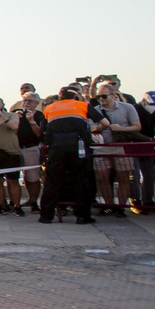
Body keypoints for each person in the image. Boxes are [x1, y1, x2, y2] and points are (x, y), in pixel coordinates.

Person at [38, 87, 96, 225]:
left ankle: (46, 215)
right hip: (78, 145)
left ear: (60, 98)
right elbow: (105, 122)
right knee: (81, 180)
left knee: (52, 180)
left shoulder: (50, 108)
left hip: (56, 147)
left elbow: (43, 131)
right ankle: (82, 216)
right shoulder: (83, 105)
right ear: (75, 97)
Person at [91, 82, 140, 215]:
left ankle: (120, 207)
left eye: (104, 96)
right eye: (98, 97)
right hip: (101, 147)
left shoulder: (127, 107)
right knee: (102, 177)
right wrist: (101, 127)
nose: (101, 99)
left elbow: (137, 126)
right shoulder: (95, 110)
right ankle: (109, 205)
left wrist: (121, 129)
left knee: (124, 177)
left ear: (113, 95)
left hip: (121, 146)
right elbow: (91, 129)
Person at [15, 92, 46, 210]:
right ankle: (29, 199)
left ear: (36, 103)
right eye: (25, 100)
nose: (27, 103)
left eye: (30, 101)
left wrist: (31, 121)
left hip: (31, 148)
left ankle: (34, 202)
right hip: (17, 148)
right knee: (23, 176)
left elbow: (40, 134)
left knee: (33, 177)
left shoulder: (40, 116)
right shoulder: (17, 114)